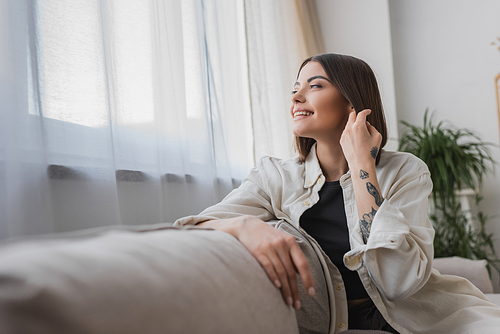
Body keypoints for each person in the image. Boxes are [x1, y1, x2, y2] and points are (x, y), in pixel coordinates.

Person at [174, 53, 500, 333]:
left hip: (426, 314)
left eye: (314, 85)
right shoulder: (273, 175)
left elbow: (398, 283)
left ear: (351, 101)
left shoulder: (405, 170)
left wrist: (362, 168)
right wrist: (245, 225)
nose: (296, 97)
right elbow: (193, 227)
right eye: (295, 89)